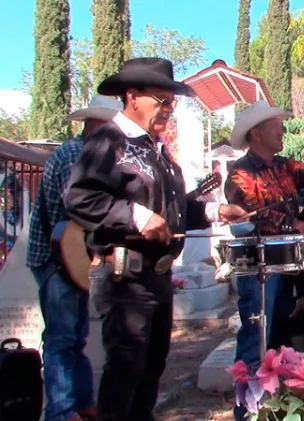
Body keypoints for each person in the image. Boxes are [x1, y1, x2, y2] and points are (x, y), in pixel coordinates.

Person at [62, 57, 247, 421]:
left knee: (151, 370)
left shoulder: (156, 149)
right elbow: (79, 197)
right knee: (125, 371)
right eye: (163, 100)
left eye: (172, 102)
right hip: (124, 277)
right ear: (133, 96)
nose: (170, 109)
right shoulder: (109, 141)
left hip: (158, 277)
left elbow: (174, 211)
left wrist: (214, 212)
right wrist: (136, 215)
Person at [223, 100, 304, 421]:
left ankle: (275, 406)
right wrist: (291, 224)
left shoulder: (283, 166)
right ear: (256, 133)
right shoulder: (240, 172)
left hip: (285, 263)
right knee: (257, 336)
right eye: (275, 127)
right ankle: (245, 411)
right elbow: (248, 210)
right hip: (259, 268)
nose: (281, 130)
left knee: (279, 333)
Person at [26, 95, 123, 421]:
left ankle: (81, 404)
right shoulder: (75, 155)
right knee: (61, 339)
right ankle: (61, 411)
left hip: (70, 258)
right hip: (56, 260)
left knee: (75, 335)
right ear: (99, 126)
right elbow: (79, 206)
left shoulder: (86, 154)